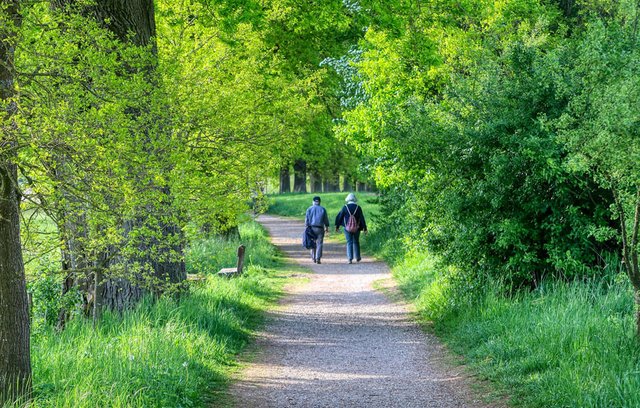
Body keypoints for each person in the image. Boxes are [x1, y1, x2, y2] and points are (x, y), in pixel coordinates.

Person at [335, 193, 367, 264]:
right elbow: (362, 218)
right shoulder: (358, 208)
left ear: (348, 199)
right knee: (356, 242)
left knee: (349, 242)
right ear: (355, 199)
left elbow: (340, 217)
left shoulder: (345, 207)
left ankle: (350, 258)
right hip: (357, 228)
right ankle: (358, 257)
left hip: (347, 228)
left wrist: (337, 226)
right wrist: (365, 228)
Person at [305, 196, 330, 264]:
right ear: (319, 202)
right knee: (319, 243)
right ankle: (318, 258)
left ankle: (313, 258)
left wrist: (307, 227)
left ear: (313, 201)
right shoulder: (323, 209)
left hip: (311, 228)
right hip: (320, 229)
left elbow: (307, 220)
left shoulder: (309, 209)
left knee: (312, 243)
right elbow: (325, 219)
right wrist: (327, 226)